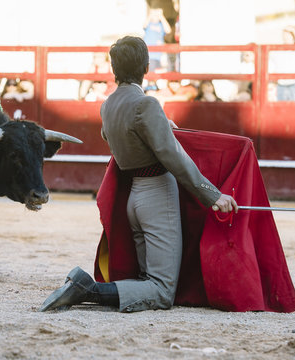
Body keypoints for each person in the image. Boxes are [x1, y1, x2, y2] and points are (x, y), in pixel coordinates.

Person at [39, 36, 237, 313]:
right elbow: (172, 155)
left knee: (147, 280)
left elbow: (112, 133)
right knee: (161, 290)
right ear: (145, 67)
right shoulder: (147, 105)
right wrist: (212, 194)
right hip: (158, 196)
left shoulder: (107, 106)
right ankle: (88, 289)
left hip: (135, 198)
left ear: (113, 69)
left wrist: (159, 125)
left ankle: (88, 290)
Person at [143, 7, 172, 73]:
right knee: (150, 74)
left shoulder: (161, 25)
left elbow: (168, 30)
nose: (156, 16)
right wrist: (151, 14)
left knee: (159, 75)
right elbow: (144, 26)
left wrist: (161, 16)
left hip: (159, 56)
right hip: (149, 55)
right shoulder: (148, 24)